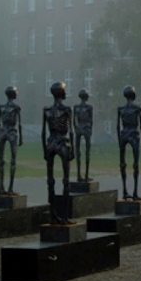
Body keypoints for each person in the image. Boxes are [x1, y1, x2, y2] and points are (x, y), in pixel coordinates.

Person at [43, 81, 74, 224]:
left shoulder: (47, 110)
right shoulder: (67, 109)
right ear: (61, 93)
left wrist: (44, 148)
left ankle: (53, 215)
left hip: (50, 142)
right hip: (62, 142)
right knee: (66, 180)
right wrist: (72, 148)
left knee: (50, 180)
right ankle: (65, 216)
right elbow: (71, 130)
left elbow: (43, 133)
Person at [117, 86, 141, 200]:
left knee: (123, 164)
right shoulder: (137, 108)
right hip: (133, 134)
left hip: (124, 134)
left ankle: (124, 191)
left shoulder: (121, 109)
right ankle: (135, 192)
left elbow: (117, 126)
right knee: (135, 164)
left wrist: (119, 139)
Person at [0, 85, 23, 195]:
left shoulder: (1, 107)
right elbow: (19, 123)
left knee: (1, 160)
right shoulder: (16, 107)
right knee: (13, 160)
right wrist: (21, 138)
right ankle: (10, 188)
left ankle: (1, 187)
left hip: (3, 131)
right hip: (12, 132)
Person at [73, 89, 94, 182]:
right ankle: (85, 175)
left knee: (78, 152)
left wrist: (76, 128)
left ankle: (79, 175)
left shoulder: (76, 107)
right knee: (87, 152)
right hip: (86, 128)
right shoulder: (89, 107)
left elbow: (74, 120)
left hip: (79, 128)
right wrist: (89, 130)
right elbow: (91, 120)